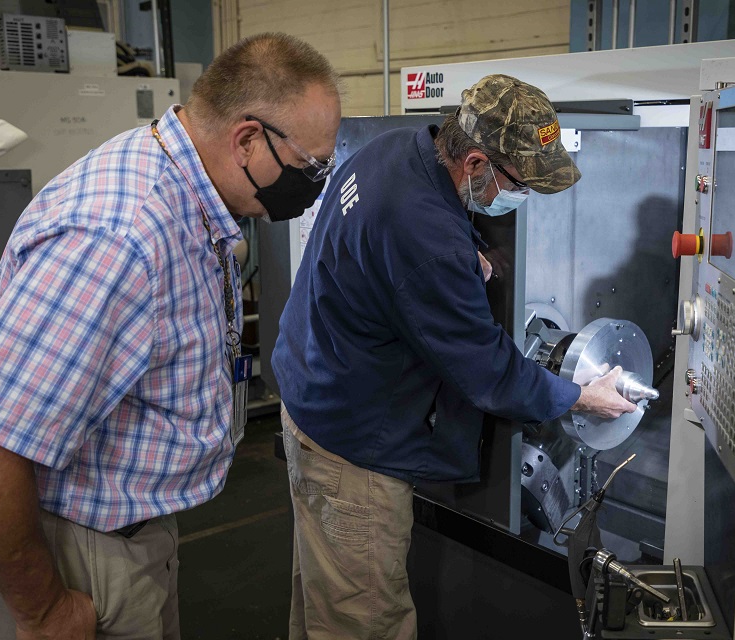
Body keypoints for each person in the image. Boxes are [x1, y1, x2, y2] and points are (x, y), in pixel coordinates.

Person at [0, 32, 341, 639]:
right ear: (248, 140)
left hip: (125, 532)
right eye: (311, 166)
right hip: (76, 556)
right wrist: (43, 609)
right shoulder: (121, 237)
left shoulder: (186, 189)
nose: (316, 182)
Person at [273, 73, 638, 639]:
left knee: (325, 604)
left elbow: (400, 233)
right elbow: (489, 373)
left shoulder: (397, 150)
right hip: (353, 451)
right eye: (519, 184)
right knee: (364, 621)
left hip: (311, 397)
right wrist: (578, 395)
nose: (521, 199)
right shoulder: (429, 244)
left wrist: (463, 246)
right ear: (474, 165)